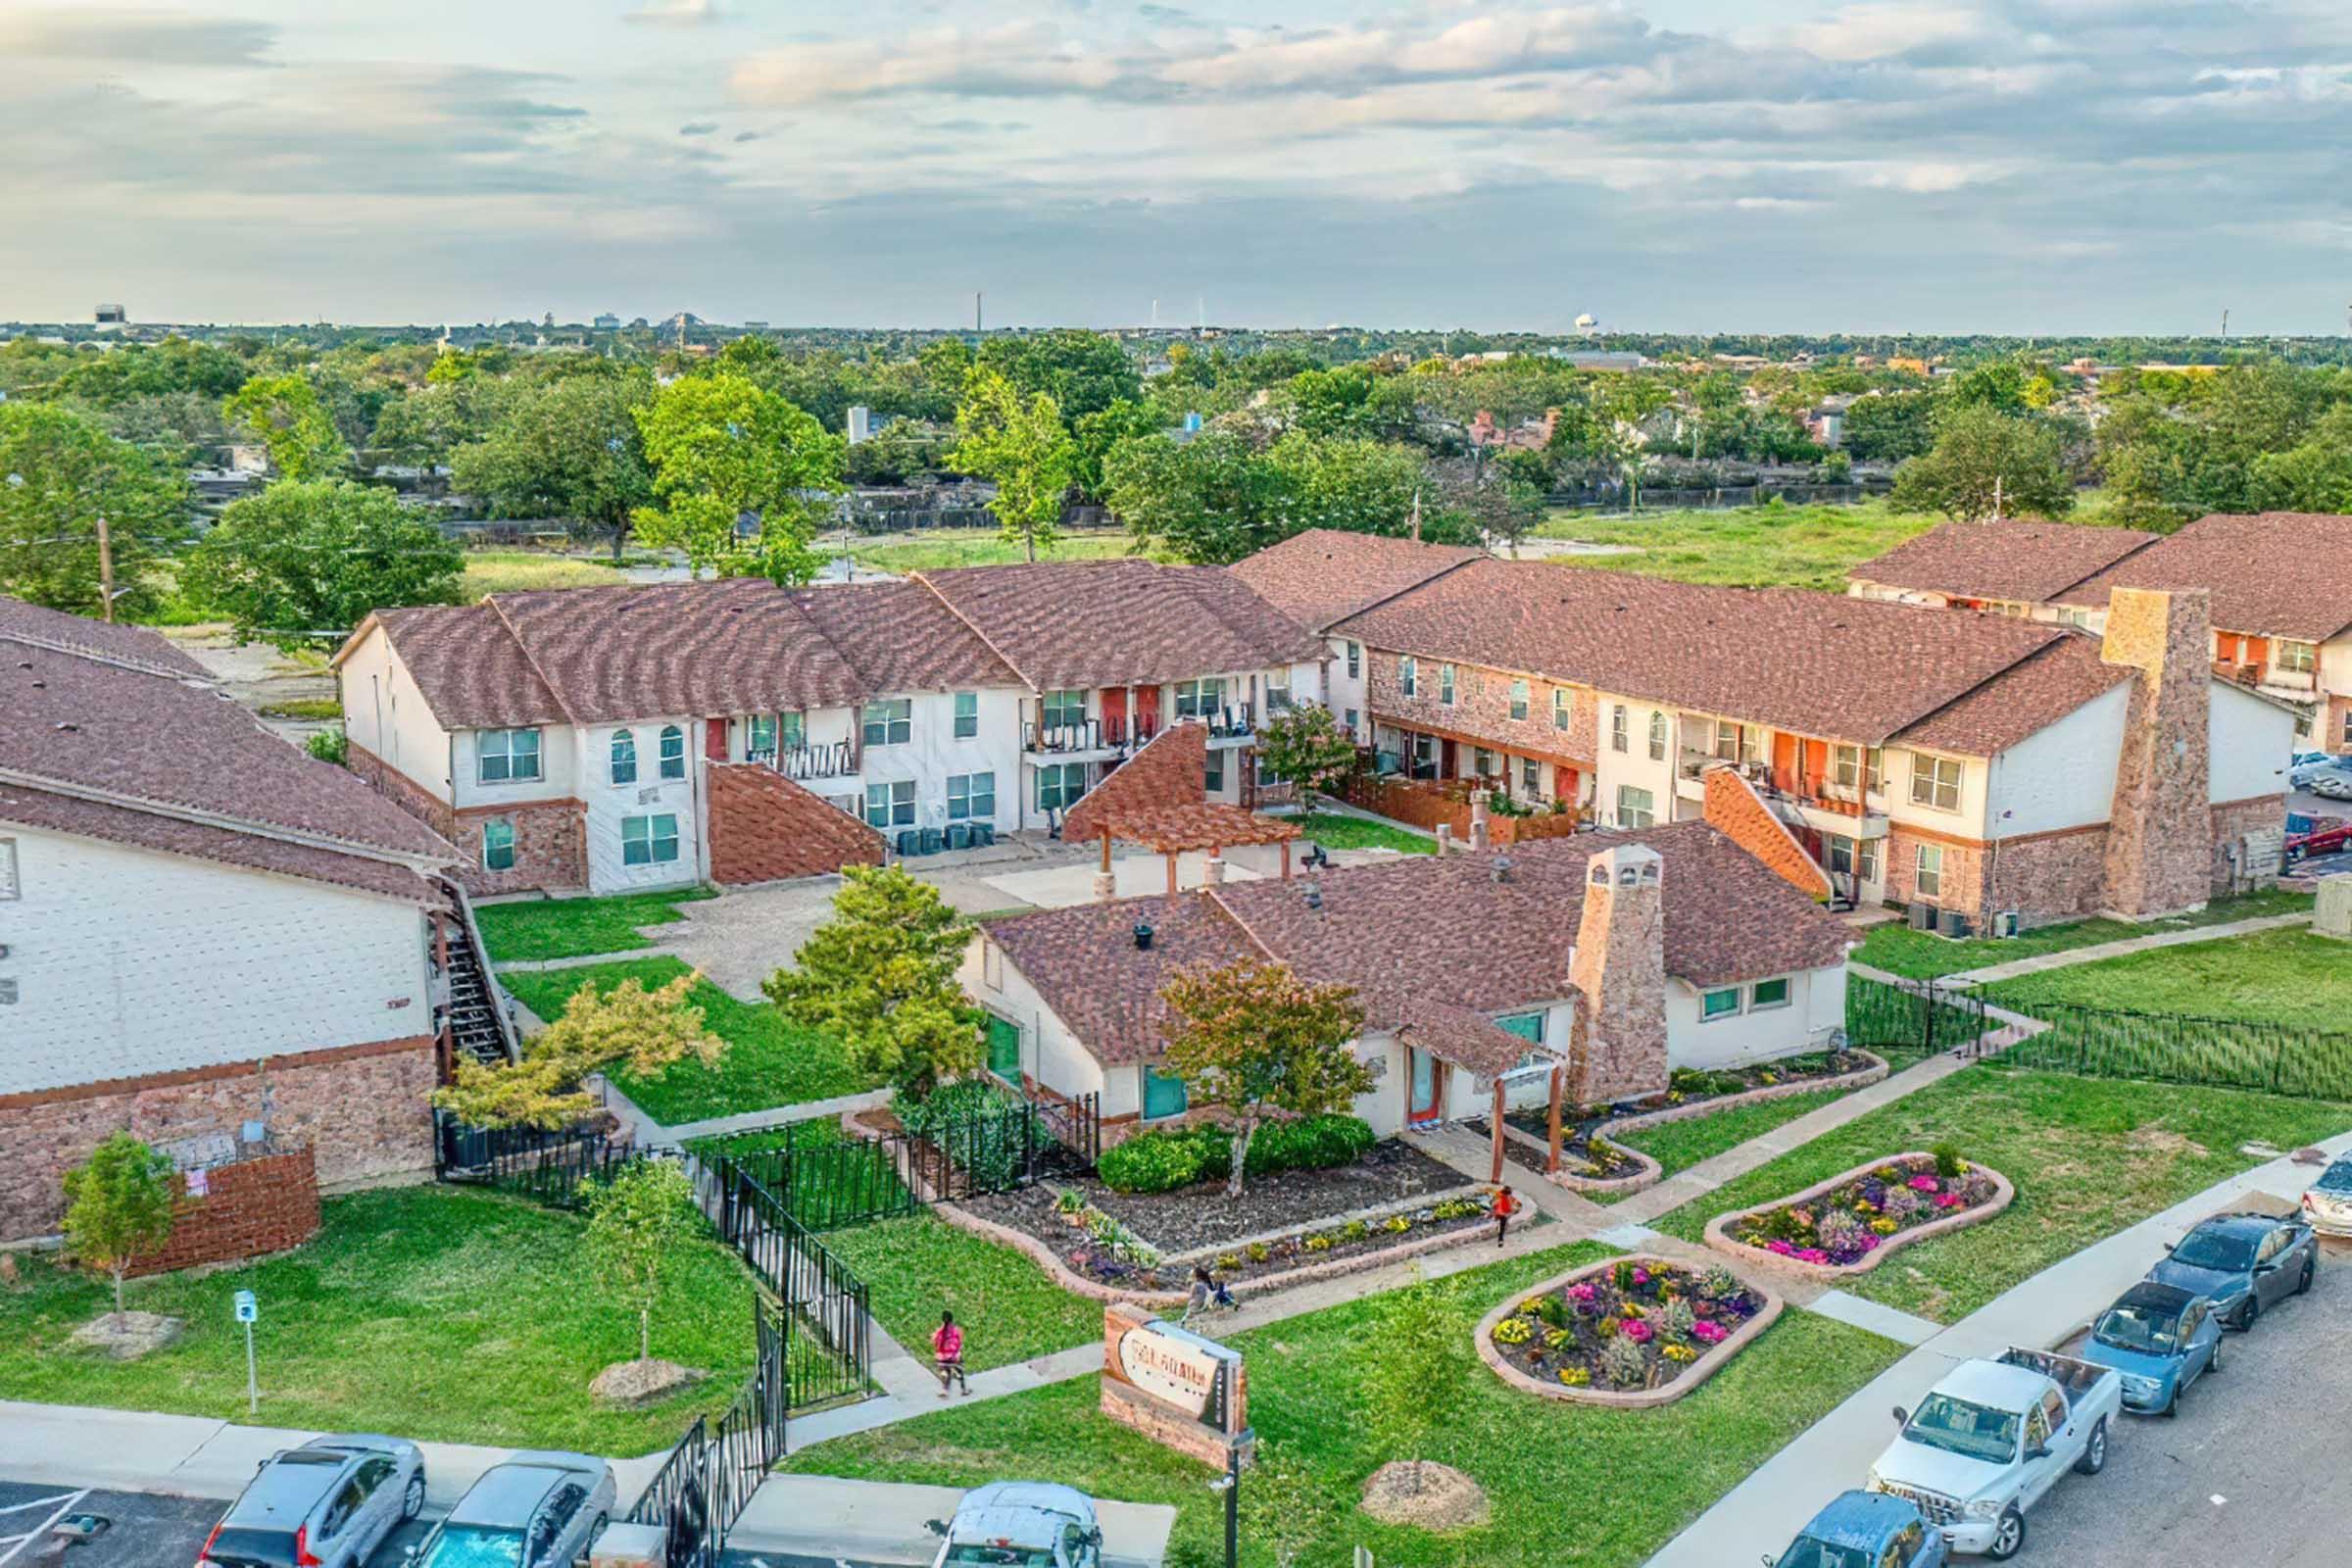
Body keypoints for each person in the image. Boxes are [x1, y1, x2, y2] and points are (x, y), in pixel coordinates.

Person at [932, 1309, 969, 1397]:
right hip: (953, 1357)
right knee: (959, 1372)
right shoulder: (955, 1330)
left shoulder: (939, 1331)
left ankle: (945, 1390)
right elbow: (958, 1343)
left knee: (946, 1373)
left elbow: (934, 1341)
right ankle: (964, 1389)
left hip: (941, 1358)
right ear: (952, 1319)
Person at [1492, 1184, 1521, 1248]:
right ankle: (1500, 1239)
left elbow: (1494, 1202)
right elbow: (1516, 1204)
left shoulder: (1500, 1194)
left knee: (1502, 1224)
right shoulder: (1507, 1196)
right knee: (1502, 1225)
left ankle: (1500, 1237)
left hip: (1501, 1213)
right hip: (1503, 1214)